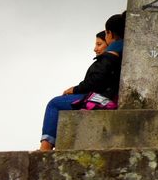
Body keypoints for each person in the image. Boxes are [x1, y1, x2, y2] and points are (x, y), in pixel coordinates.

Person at [38, 12, 124, 151]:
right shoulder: (122, 49)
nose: (95, 48)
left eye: (99, 43)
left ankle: (45, 148)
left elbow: (96, 81)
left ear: (110, 34)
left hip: (103, 99)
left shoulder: (112, 53)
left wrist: (75, 89)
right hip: (107, 96)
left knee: (54, 103)